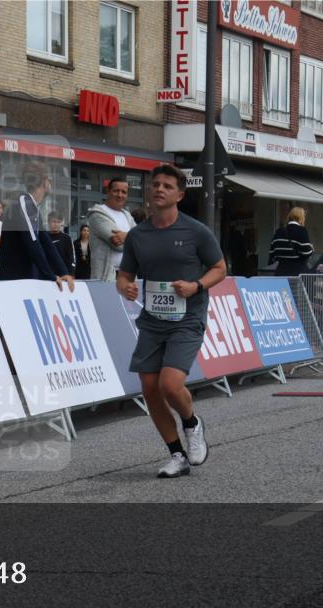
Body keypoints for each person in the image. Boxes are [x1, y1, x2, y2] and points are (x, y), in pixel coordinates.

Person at [116, 164, 227, 479]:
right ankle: (177, 455)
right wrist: (125, 287)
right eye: (156, 184)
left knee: (169, 384)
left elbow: (220, 268)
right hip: (152, 320)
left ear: (180, 195)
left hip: (187, 317)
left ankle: (192, 423)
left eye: (167, 186)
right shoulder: (138, 235)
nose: (159, 189)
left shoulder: (196, 231)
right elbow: (124, 275)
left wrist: (196, 286)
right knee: (150, 388)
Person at [0, 161, 75, 291]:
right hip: (14, 280)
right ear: (45, 181)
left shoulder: (32, 207)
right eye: (50, 180)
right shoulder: (24, 203)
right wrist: (50, 275)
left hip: (26, 278)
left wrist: (63, 272)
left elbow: (46, 242)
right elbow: (32, 241)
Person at [87, 176, 134, 282]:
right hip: (105, 278)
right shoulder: (97, 214)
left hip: (127, 276)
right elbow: (117, 245)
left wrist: (125, 236)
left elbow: (141, 243)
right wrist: (134, 239)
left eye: (124, 192)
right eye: (116, 191)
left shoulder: (127, 216)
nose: (120, 195)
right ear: (108, 192)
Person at [270, 207, 313, 276]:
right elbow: (306, 253)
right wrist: (311, 248)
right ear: (301, 218)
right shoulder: (301, 231)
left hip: (281, 271)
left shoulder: (279, 231)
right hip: (297, 273)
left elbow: (272, 253)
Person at [47, 211, 75, 275]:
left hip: (63, 275)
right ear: (48, 222)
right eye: (54, 222)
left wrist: (71, 274)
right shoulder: (43, 237)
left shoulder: (67, 238)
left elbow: (71, 258)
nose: (56, 224)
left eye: (58, 222)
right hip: (46, 275)